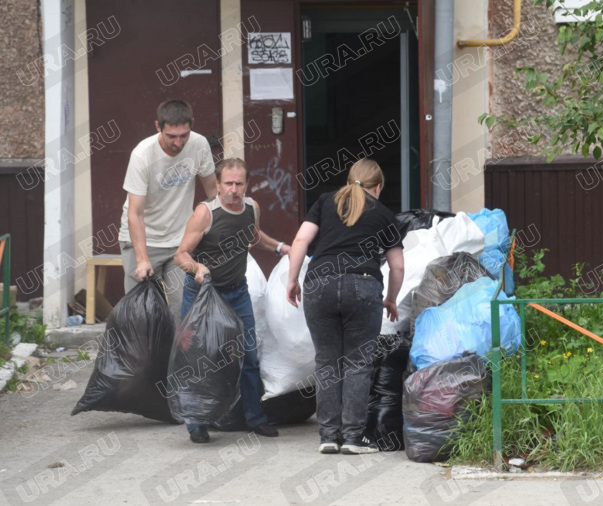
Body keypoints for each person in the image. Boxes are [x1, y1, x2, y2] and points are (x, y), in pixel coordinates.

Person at [286, 158, 404, 455]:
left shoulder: (325, 201)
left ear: (349, 180)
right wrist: (390, 298)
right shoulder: (385, 213)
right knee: (358, 364)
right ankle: (352, 439)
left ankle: (328, 436)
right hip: (363, 285)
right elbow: (398, 266)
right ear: (378, 187)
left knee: (327, 362)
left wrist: (292, 279)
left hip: (319, 283)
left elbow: (301, 239)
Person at [174, 158, 291, 444]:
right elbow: (181, 254)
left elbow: (253, 237)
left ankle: (255, 418)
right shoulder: (205, 213)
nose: (234, 190)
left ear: (246, 184)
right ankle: (197, 423)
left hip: (237, 293)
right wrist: (197, 268)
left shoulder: (252, 208)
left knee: (249, 356)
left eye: (239, 184)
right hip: (203, 294)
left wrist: (279, 247)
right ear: (217, 185)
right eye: (228, 184)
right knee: (200, 358)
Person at [118, 100, 218, 324]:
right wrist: (142, 259)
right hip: (144, 238)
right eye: (172, 136)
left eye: (184, 135)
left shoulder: (199, 144)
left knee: (183, 311)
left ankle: (178, 359)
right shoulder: (142, 155)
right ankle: (142, 359)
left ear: (191, 126)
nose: (178, 142)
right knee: (140, 315)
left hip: (179, 241)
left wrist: (219, 229)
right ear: (158, 127)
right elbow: (135, 213)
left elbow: (212, 190)